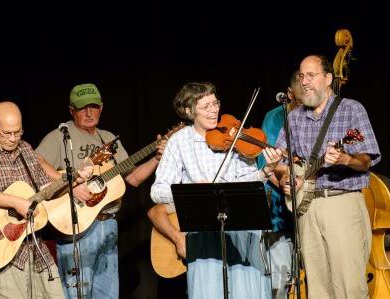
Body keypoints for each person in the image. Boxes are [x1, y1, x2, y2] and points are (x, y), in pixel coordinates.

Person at [149, 82, 283, 299]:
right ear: (189, 111)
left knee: (246, 291)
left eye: (215, 103)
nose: (214, 110)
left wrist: (265, 171)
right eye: (206, 106)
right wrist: (190, 191)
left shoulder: (234, 136)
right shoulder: (178, 142)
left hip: (239, 229)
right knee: (208, 292)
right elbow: (158, 191)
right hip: (203, 233)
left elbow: (246, 182)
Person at [35, 83, 166, 299]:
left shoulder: (108, 138)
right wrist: (69, 185)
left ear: (102, 108)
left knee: (107, 294)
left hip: (108, 224)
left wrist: (157, 158)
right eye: (82, 108)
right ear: (71, 110)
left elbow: (132, 178)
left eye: (93, 107)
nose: (89, 113)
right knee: (77, 293)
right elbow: (36, 160)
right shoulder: (61, 135)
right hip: (77, 225)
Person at [274, 55, 381, 298]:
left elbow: (366, 160)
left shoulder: (352, 109)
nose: (304, 82)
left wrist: (346, 159)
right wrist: (286, 180)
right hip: (307, 209)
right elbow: (281, 161)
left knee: (349, 287)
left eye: (311, 75)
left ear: (328, 79)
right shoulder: (294, 117)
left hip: (341, 202)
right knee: (317, 287)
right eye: (301, 76)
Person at [0, 101, 92, 298]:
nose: (13, 138)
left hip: (34, 247)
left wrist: (73, 181)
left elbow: (46, 189)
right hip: (2, 250)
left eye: (18, 132)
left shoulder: (26, 150)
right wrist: (14, 202)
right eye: (6, 133)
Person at [256, 70, 301, 299]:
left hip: (308, 209)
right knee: (280, 280)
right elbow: (267, 162)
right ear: (290, 93)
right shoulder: (274, 117)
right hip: (278, 210)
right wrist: (285, 183)